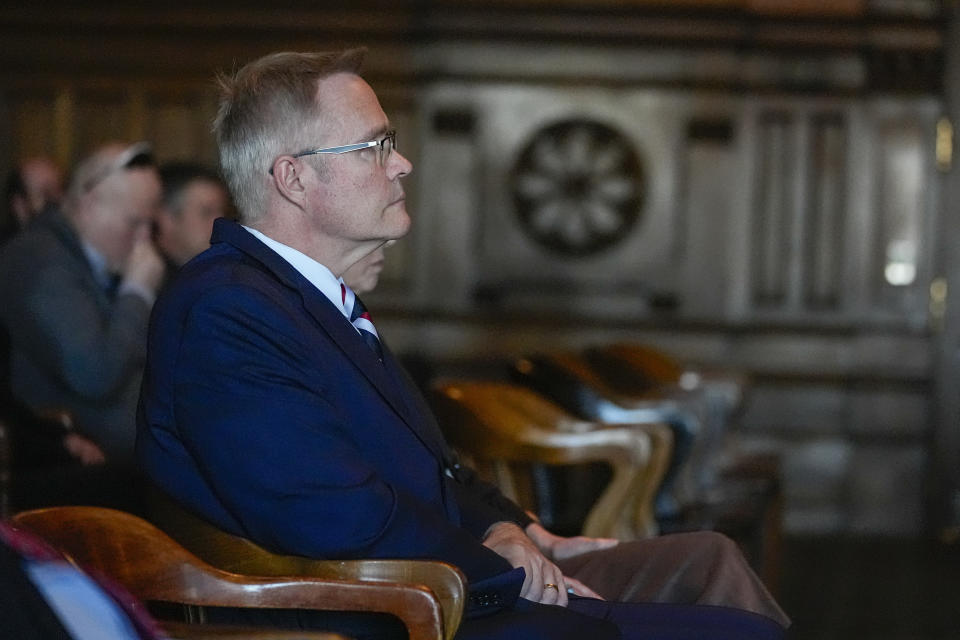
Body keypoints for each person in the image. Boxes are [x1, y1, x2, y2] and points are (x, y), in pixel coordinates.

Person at [137, 49, 787, 640]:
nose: (403, 163)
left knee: (707, 557)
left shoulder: (300, 299)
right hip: (394, 612)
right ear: (294, 179)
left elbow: (432, 468)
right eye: (374, 146)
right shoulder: (228, 310)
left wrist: (517, 529)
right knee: (736, 630)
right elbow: (332, 517)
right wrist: (498, 559)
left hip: (440, 577)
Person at [0, 142, 165, 465]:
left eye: (150, 225)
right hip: (78, 469)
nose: (144, 241)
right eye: (133, 223)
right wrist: (137, 291)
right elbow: (94, 374)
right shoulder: (37, 259)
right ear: (89, 205)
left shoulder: (97, 253)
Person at [154, 162, 230, 272]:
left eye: (223, 212)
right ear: (167, 220)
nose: (222, 224)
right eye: (206, 212)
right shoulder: (148, 281)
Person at [2, 157, 64, 244]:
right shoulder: (8, 252)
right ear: (19, 206)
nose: (57, 199)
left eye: (58, 189)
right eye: (46, 194)